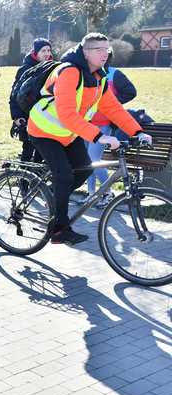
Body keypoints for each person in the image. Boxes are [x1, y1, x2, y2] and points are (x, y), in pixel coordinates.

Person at [27, 33, 152, 245]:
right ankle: (59, 230)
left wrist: (137, 131)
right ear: (85, 52)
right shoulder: (69, 72)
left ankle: (53, 196)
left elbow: (113, 109)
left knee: (84, 170)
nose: (105, 53)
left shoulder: (98, 78)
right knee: (65, 176)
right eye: (98, 50)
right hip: (43, 130)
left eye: (107, 49)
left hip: (68, 134)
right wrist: (99, 137)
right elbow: (67, 114)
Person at [82, 50, 136, 208]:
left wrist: (111, 105)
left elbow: (131, 92)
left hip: (104, 124)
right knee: (87, 161)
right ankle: (91, 195)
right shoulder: (89, 74)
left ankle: (108, 193)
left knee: (93, 161)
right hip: (87, 124)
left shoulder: (114, 74)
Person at [9, 38, 53, 164]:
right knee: (28, 151)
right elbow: (14, 94)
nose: (47, 53)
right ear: (35, 52)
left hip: (46, 116)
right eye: (43, 50)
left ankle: (36, 182)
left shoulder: (52, 68)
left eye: (49, 50)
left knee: (42, 153)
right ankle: (23, 181)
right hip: (28, 116)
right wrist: (17, 116)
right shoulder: (25, 69)